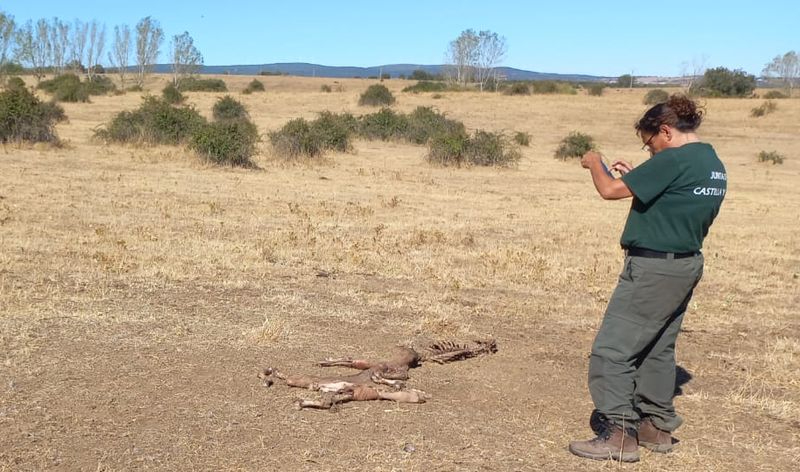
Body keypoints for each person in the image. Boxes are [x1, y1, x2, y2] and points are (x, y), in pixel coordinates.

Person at [568, 95, 727, 462]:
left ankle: (619, 433)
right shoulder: (710, 162)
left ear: (666, 131)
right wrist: (640, 174)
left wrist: (595, 163)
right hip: (685, 264)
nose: (650, 149)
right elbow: (676, 200)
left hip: (653, 269)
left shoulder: (672, 160)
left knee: (612, 350)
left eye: (650, 142)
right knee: (657, 349)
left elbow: (609, 190)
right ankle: (655, 427)